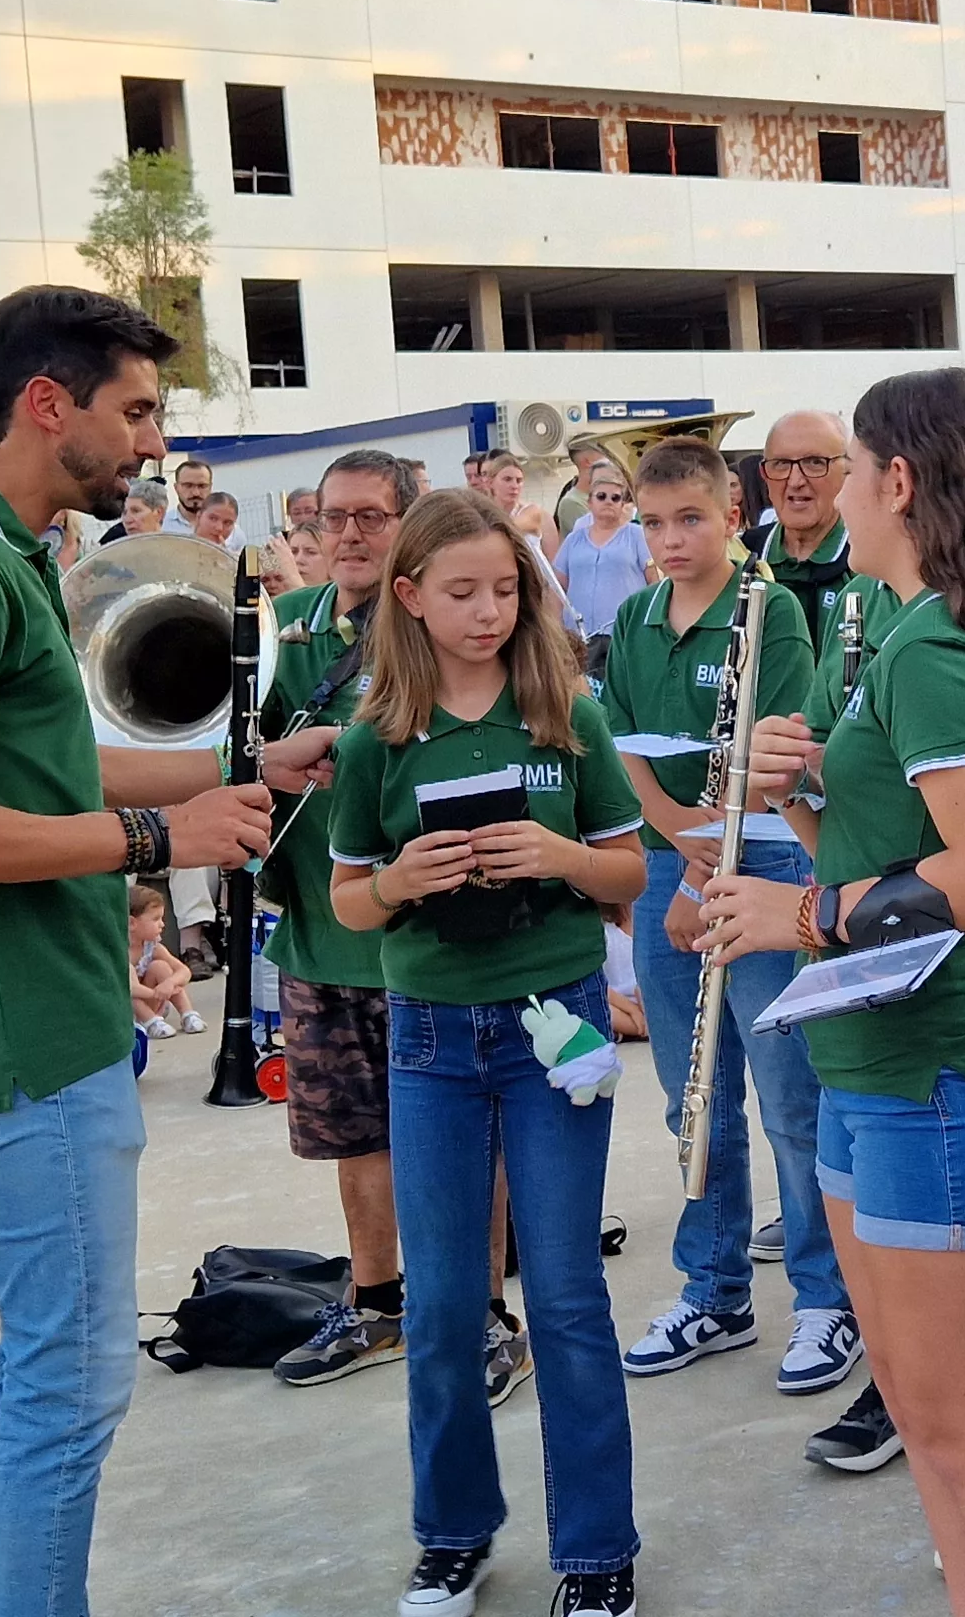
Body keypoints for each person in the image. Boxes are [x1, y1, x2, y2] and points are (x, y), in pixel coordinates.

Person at [0, 283, 272, 1615]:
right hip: (16, 1021)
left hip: (43, 1006)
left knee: (61, 1372)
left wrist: (242, 766)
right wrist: (161, 836)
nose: (149, 442)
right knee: (70, 1380)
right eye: (133, 410)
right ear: (46, 402)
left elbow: (33, 762)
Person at [700, 365, 965, 1617]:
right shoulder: (900, 635)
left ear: (900, 481)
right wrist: (799, 794)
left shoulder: (932, 648)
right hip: (874, 1076)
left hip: (932, 1083)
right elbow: (876, 855)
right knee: (929, 1429)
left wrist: (800, 914)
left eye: (851, 470)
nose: (825, 496)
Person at [325, 485, 653, 1617]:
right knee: (446, 1301)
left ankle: (597, 1547)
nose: (487, 613)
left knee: (564, 1292)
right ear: (407, 598)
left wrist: (556, 855)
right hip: (426, 1040)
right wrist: (396, 880)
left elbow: (628, 881)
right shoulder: (375, 739)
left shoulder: (569, 716)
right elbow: (345, 905)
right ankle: (452, 1533)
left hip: (550, 1025)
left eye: (505, 591)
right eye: (461, 593)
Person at [595, 436, 851, 1393]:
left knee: (790, 1096)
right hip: (676, 861)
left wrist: (706, 884)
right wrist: (669, 848)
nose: (669, 538)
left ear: (732, 518)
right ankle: (715, 1290)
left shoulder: (770, 608)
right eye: (653, 522)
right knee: (692, 1095)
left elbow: (771, 764)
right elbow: (619, 745)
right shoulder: (632, 617)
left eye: (690, 518)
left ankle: (828, 1303)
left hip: (763, 865)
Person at [257, 447, 420, 1390]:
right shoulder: (280, 628)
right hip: (320, 929)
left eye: (371, 516)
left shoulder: (442, 621)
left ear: (407, 523)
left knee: (458, 1134)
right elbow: (233, 748)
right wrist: (275, 751)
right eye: (334, 516)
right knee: (350, 1134)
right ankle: (376, 1303)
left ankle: (479, 1310)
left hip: (426, 935)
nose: (349, 534)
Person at [751, 409, 866, 655]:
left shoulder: (871, 564)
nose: (795, 481)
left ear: (847, 470)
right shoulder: (742, 555)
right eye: (781, 464)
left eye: (815, 463)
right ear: (764, 475)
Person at [550, 455, 650, 643]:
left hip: (625, 635)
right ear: (590, 502)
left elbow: (654, 582)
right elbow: (556, 589)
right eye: (601, 496)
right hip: (580, 637)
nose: (608, 501)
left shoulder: (637, 535)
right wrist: (556, 630)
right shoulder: (573, 540)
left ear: (623, 504)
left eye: (615, 498)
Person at [126, 881, 194, 1055]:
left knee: (161, 967)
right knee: (128, 976)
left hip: (156, 1002)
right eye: (156, 919)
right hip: (130, 1010)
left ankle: (188, 1014)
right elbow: (130, 989)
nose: (162, 924)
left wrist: (169, 984)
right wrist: (157, 992)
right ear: (132, 923)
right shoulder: (121, 950)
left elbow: (184, 971)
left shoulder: (152, 946)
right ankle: (150, 1023)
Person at [472, 448, 556, 547]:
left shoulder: (530, 511)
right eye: (507, 479)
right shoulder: (480, 512)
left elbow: (510, 529)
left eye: (519, 480)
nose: (514, 486)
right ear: (491, 482)